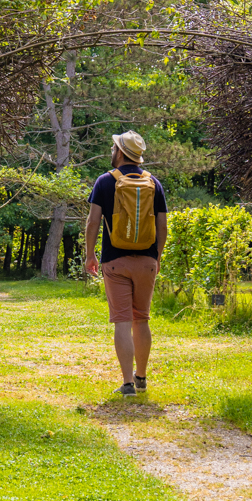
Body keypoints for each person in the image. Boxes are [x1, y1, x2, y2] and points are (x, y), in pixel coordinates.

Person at [84, 129, 168, 397]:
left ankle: (127, 384)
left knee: (122, 321)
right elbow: (162, 225)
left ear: (120, 152)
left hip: (115, 261)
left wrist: (90, 255)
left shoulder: (105, 182)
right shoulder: (154, 183)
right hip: (146, 260)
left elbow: (93, 222)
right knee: (141, 320)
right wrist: (156, 256)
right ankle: (141, 377)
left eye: (114, 148)